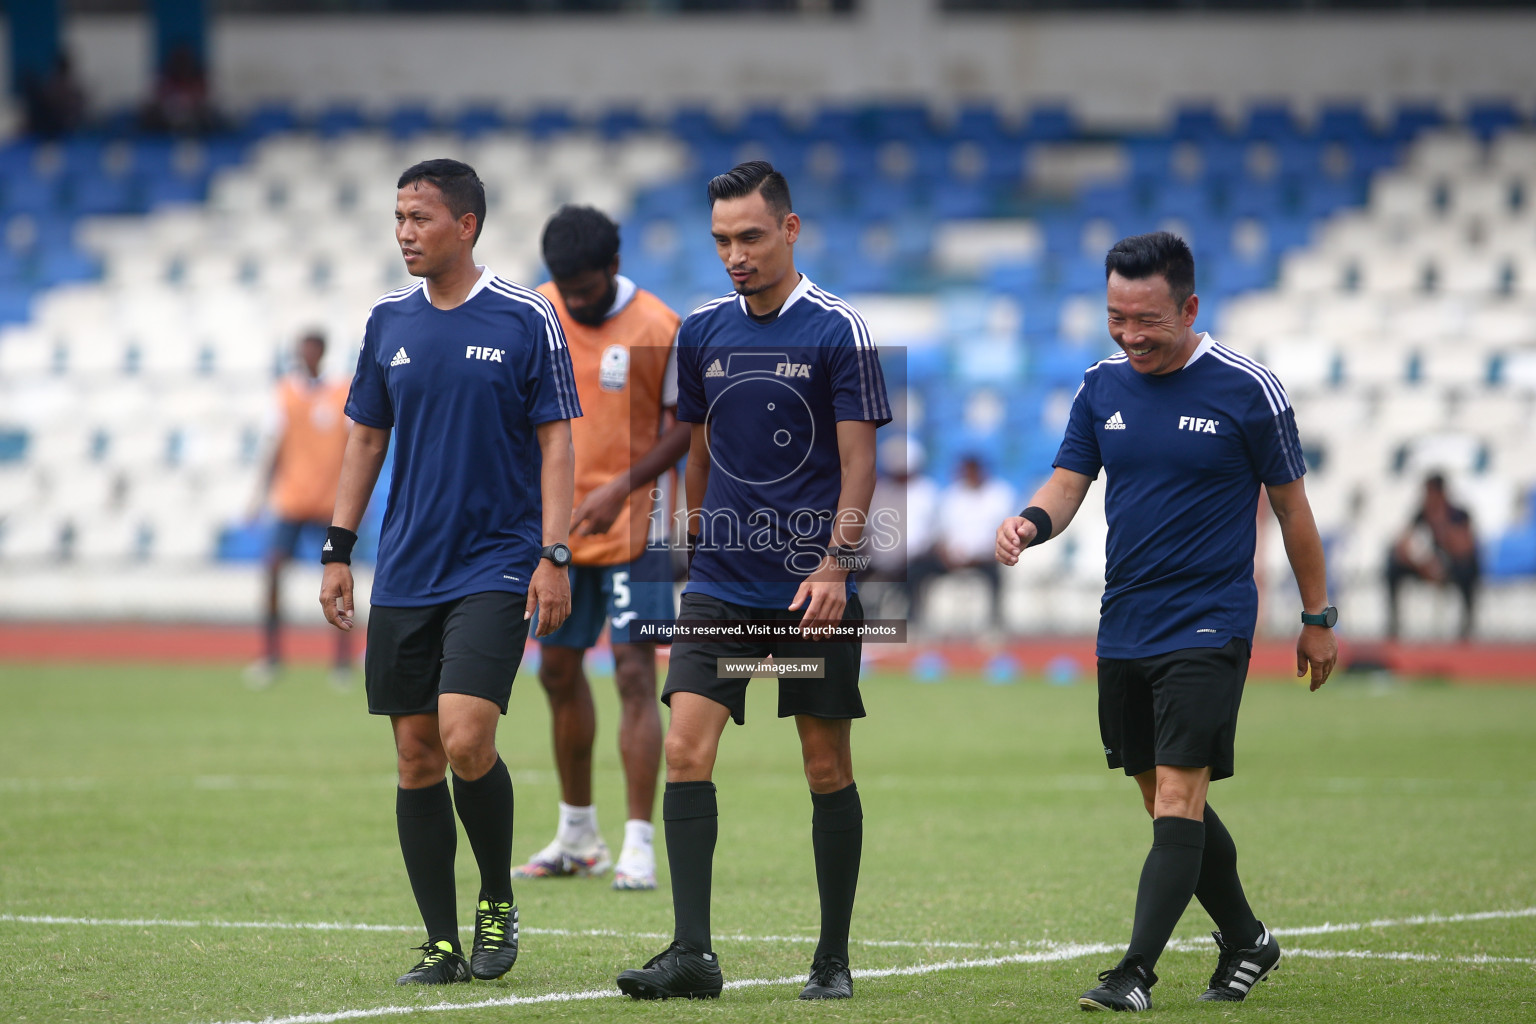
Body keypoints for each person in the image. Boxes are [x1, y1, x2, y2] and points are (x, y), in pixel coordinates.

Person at [994, 231, 1337, 1012]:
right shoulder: (1100, 386)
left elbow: (1292, 509)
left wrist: (1318, 617)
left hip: (1211, 623)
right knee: (1161, 800)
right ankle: (1249, 938)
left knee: (1180, 797)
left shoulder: (1249, 389)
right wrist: (1028, 523)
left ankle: (1134, 972)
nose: (1130, 334)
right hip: (1125, 622)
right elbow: (1068, 480)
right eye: (1117, 316)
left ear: (1188, 307)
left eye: (1147, 319)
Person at [615, 161, 890, 1002]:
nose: (735, 254)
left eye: (750, 236)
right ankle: (692, 953)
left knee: (823, 767)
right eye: (722, 240)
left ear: (791, 229)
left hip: (811, 591)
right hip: (721, 587)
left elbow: (858, 464)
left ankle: (832, 958)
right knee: (688, 751)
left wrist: (838, 565)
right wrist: (697, 545)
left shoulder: (838, 329)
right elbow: (696, 447)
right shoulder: (701, 332)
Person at [319, 158, 580, 986]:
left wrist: (554, 552)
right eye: (398, 219)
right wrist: (337, 547)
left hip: (497, 565)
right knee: (415, 758)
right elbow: (365, 438)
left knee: (467, 738)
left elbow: (557, 443)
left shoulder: (525, 318)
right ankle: (439, 941)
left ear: (465, 225)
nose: (404, 233)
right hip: (405, 569)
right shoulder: (387, 322)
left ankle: (497, 897)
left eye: (420, 219)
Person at [513, 204, 690, 891]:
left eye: (585, 291)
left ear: (613, 269)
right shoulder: (537, 314)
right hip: (554, 530)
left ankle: (639, 841)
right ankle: (577, 833)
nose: (575, 303)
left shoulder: (659, 326)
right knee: (556, 674)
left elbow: (685, 427)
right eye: (565, 289)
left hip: (636, 529)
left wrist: (623, 486)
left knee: (633, 673)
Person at [245, 330, 353, 690]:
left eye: (311, 350)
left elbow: (358, 444)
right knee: (273, 571)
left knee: (338, 579)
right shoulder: (285, 393)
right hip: (292, 501)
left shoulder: (340, 392)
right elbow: (274, 444)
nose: (305, 356)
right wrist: (259, 496)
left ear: (321, 352)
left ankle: (341, 662)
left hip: (329, 504)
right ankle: (271, 656)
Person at [1385, 473, 1479, 641]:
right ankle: (1394, 623)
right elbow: (1403, 544)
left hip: (1454, 565)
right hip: (1426, 565)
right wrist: (1422, 564)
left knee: (1468, 569)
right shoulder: (1421, 513)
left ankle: (1466, 626)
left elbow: (1465, 548)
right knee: (1393, 566)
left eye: (1430, 492)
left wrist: (1440, 525)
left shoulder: (1458, 514)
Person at [934, 454, 1015, 633]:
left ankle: (994, 623)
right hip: (953, 560)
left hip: (986, 559)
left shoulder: (999, 494)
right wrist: (946, 554)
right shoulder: (951, 496)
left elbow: (1004, 533)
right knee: (918, 569)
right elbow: (940, 534)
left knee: (996, 574)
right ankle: (916, 620)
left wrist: (978, 557)